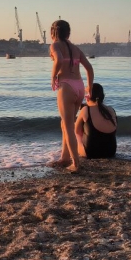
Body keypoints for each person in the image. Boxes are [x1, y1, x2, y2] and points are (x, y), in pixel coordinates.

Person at [49, 19, 94, 172]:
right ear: (68, 33)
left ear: (53, 33)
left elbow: (59, 60)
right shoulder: (76, 48)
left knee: (68, 125)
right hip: (79, 86)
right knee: (65, 123)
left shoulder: (55, 45)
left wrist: (53, 76)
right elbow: (89, 68)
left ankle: (75, 163)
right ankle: (65, 157)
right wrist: (90, 88)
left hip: (66, 86)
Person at [75, 83, 117, 159]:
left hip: (90, 153)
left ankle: (67, 154)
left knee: (70, 128)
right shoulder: (111, 110)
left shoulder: (85, 110)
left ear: (87, 97)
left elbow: (77, 131)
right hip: (111, 151)